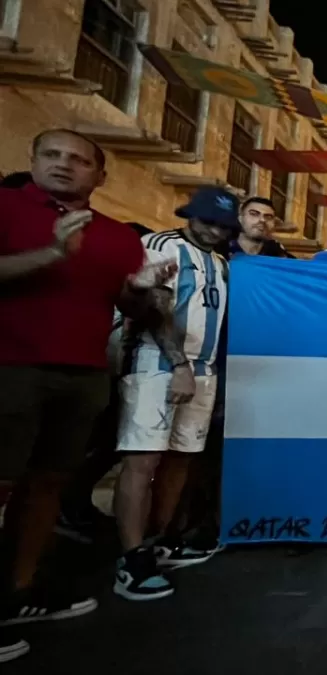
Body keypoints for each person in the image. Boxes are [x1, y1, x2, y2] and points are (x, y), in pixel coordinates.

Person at [0, 129, 177, 662]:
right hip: (12, 367)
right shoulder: (6, 207)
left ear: (100, 176)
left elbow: (126, 302)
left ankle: (17, 595)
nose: (64, 165)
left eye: (78, 160)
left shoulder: (119, 236)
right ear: (32, 159)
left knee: (47, 485)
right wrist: (53, 252)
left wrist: (141, 289)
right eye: (52, 155)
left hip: (81, 373)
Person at [111, 187, 241, 601]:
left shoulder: (220, 261)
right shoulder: (161, 245)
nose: (215, 230)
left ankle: (159, 540)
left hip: (204, 370)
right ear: (191, 215)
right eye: (207, 221)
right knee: (143, 459)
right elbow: (155, 307)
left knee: (182, 458)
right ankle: (131, 557)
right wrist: (179, 366)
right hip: (156, 365)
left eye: (223, 224)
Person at [57, 223, 156, 543]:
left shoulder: (139, 281)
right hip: (102, 371)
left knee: (108, 447)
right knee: (87, 447)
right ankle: (66, 506)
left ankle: (74, 502)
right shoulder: (105, 278)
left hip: (117, 374)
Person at [225, 197, 292, 258]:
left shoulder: (279, 255)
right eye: (254, 214)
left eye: (268, 217)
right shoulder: (221, 249)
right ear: (240, 218)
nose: (262, 220)